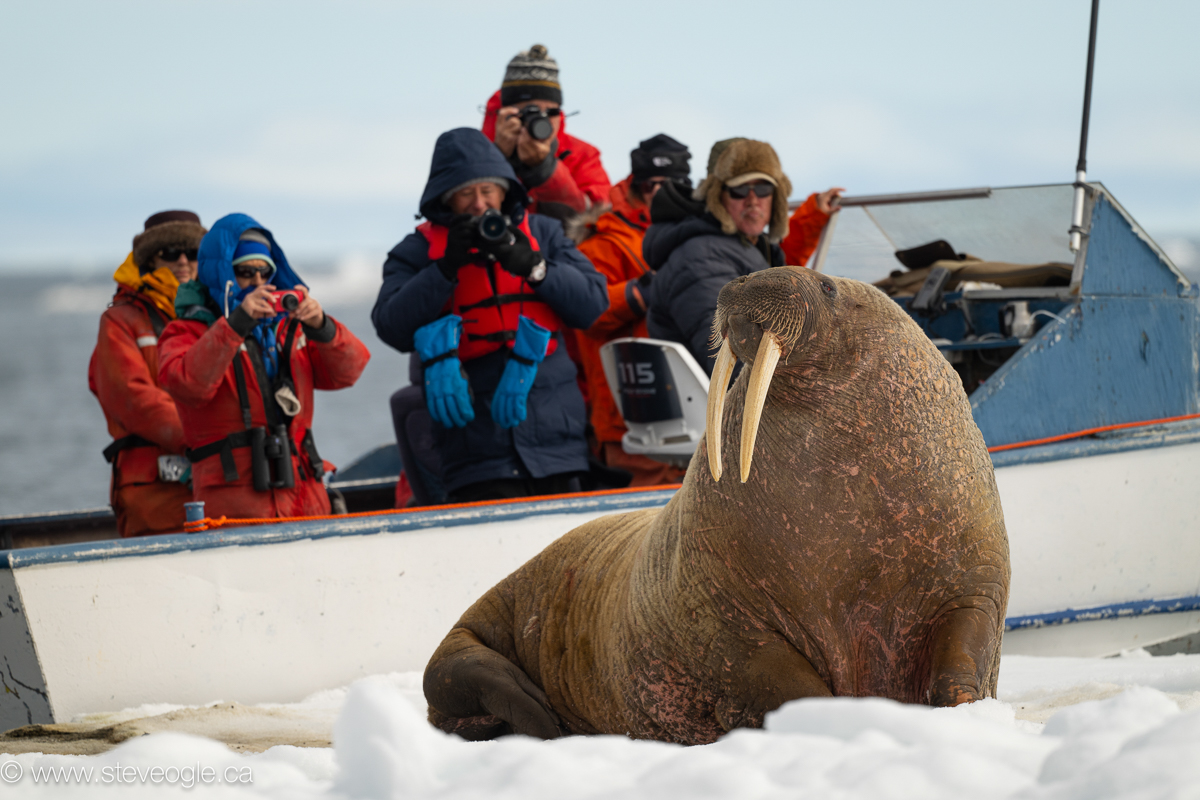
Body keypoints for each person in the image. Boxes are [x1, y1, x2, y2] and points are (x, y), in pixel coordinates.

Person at [372, 127, 608, 503]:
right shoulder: (417, 251)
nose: (479, 203)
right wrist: (445, 268)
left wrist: (535, 267)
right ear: (446, 199)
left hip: (558, 446)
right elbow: (390, 327)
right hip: (473, 451)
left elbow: (593, 304)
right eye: (466, 193)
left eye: (488, 190)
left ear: (504, 192)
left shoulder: (543, 234)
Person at [159, 215, 370, 520]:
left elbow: (348, 372)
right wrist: (236, 325)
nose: (258, 282)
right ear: (223, 273)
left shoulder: (289, 330)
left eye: (265, 272)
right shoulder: (187, 332)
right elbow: (187, 385)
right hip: (236, 509)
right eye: (245, 272)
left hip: (305, 498)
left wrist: (321, 326)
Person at [644, 138, 843, 373]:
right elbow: (730, 362)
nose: (753, 200)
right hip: (721, 395)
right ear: (717, 196)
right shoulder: (701, 258)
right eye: (739, 190)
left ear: (776, 197)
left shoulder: (751, 247)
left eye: (763, 188)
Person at [571, 134, 692, 486]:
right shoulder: (602, 243)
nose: (660, 193)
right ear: (637, 186)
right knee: (642, 517)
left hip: (694, 411)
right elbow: (587, 311)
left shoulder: (698, 237)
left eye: (671, 185)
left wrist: (812, 216)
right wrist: (641, 292)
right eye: (651, 185)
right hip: (631, 422)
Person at [88, 211, 205, 536]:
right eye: (171, 252)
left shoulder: (218, 314)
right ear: (151, 258)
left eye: (192, 252)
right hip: (155, 493)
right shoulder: (120, 319)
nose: (183, 261)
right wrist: (207, 440)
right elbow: (133, 399)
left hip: (219, 482)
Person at [481, 44, 611, 223]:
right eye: (530, 112)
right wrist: (497, 157)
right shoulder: (474, 152)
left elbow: (601, 221)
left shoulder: (583, 156)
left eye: (551, 112)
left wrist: (546, 171)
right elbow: (466, 208)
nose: (541, 121)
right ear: (505, 113)